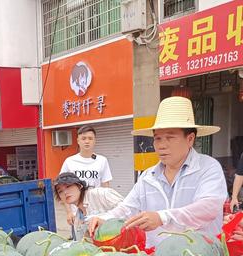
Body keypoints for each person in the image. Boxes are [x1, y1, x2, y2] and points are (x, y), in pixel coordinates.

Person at [88, 96, 227, 247]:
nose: (161, 145)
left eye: (170, 137)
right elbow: (129, 208)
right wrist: (106, 218)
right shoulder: (148, 176)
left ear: (190, 139)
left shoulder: (208, 168)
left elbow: (207, 208)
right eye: (158, 138)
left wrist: (162, 217)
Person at [60, 125, 112, 226]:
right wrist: (69, 212)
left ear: (95, 141)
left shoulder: (102, 160)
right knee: (79, 240)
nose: (87, 141)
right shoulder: (69, 162)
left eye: (90, 138)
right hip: (77, 213)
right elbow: (62, 189)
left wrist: (107, 211)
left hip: (97, 212)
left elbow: (106, 187)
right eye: (83, 138)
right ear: (78, 141)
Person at [54, 172, 123, 240]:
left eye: (68, 186)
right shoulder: (77, 221)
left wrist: (105, 221)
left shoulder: (100, 194)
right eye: (60, 191)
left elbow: (128, 211)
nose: (65, 192)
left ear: (79, 185)